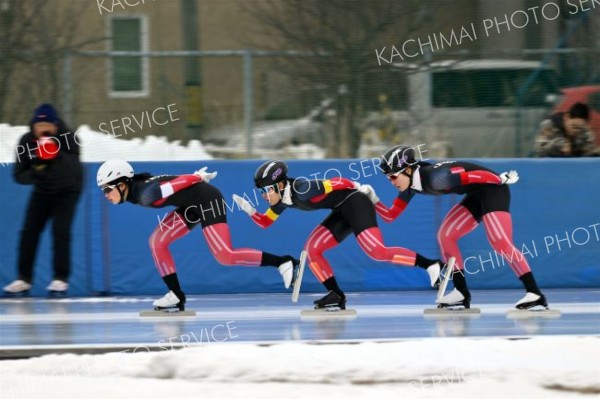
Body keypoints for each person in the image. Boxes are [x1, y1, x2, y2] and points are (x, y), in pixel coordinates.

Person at [233, 160, 443, 311]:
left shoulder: (302, 189)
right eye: (261, 192)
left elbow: (336, 182)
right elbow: (265, 222)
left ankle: (432, 265)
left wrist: (357, 186)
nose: (264, 196)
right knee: (312, 249)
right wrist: (249, 210)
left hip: (355, 202)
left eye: (266, 190)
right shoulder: (281, 199)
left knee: (378, 251)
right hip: (340, 210)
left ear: (279, 185)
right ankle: (335, 295)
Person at [96, 160, 298, 312]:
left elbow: (175, 184)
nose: (106, 194)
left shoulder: (145, 194)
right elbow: (172, 182)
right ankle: (175, 294)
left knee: (225, 255)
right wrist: (195, 177)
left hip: (207, 200)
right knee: (157, 241)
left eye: (107, 189)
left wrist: (197, 177)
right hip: (189, 204)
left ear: (122, 184)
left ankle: (283, 262)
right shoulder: (139, 189)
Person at [368, 145, 548, 310]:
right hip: (476, 194)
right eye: (388, 177)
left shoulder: (434, 178)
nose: (391, 182)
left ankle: (535, 293)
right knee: (445, 236)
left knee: (500, 243)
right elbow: (391, 216)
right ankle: (461, 292)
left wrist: (499, 179)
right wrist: (374, 199)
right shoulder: (409, 185)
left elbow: (467, 175)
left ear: (407, 170)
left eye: (393, 176)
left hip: (493, 188)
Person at [4, 104, 83, 296]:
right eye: (39, 124)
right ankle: (24, 279)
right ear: (33, 126)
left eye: (48, 123)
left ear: (56, 125)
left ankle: (60, 279)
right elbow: (19, 175)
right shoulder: (26, 141)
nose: (43, 128)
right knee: (29, 231)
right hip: (42, 190)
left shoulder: (69, 138)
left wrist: (54, 154)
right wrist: (37, 169)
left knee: (60, 231)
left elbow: (72, 171)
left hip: (69, 190)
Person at [533, 102, 599, 157]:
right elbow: (539, 149)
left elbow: (588, 150)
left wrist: (596, 151)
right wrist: (558, 145)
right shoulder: (549, 125)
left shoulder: (585, 131)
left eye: (580, 128)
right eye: (574, 126)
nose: (576, 131)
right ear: (566, 117)